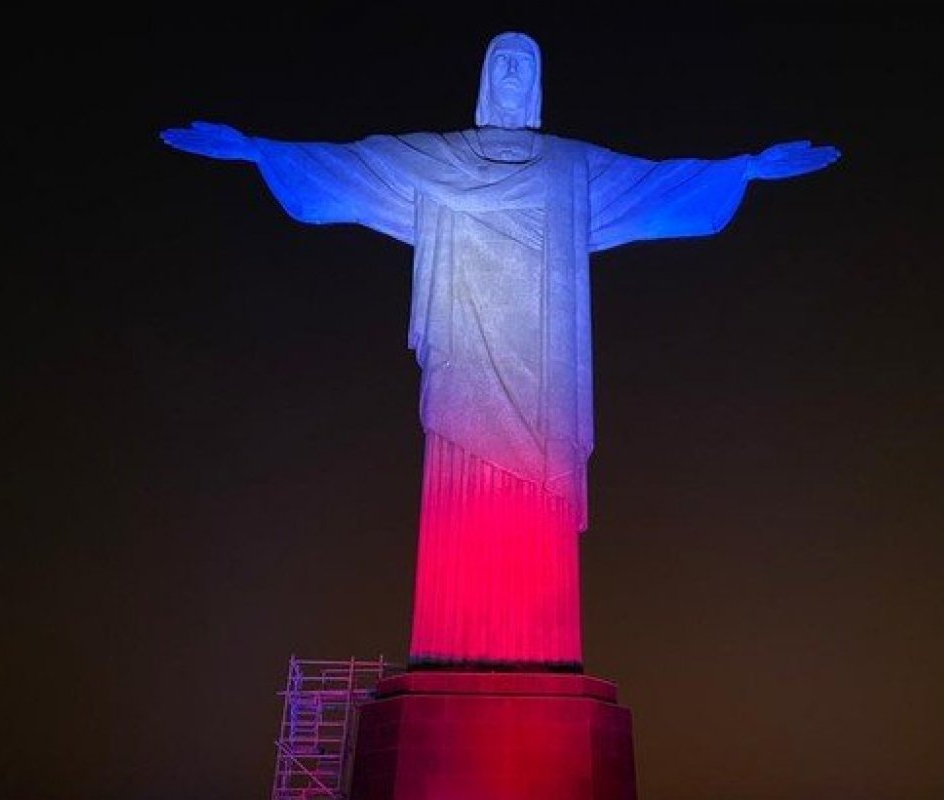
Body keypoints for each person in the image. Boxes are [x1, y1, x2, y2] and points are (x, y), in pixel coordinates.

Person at [161, 31, 840, 672]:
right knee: (461, 495)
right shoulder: (439, 158)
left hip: (544, 377)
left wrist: (747, 169)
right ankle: (451, 649)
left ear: (537, 82)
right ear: (486, 79)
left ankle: (536, 653)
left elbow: (658, 184)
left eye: (525, 62)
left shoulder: (572, 167)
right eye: (501, 61)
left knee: (534, 519)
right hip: (465, 362)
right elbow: (354, 164)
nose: (513, 73)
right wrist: (258, 149)